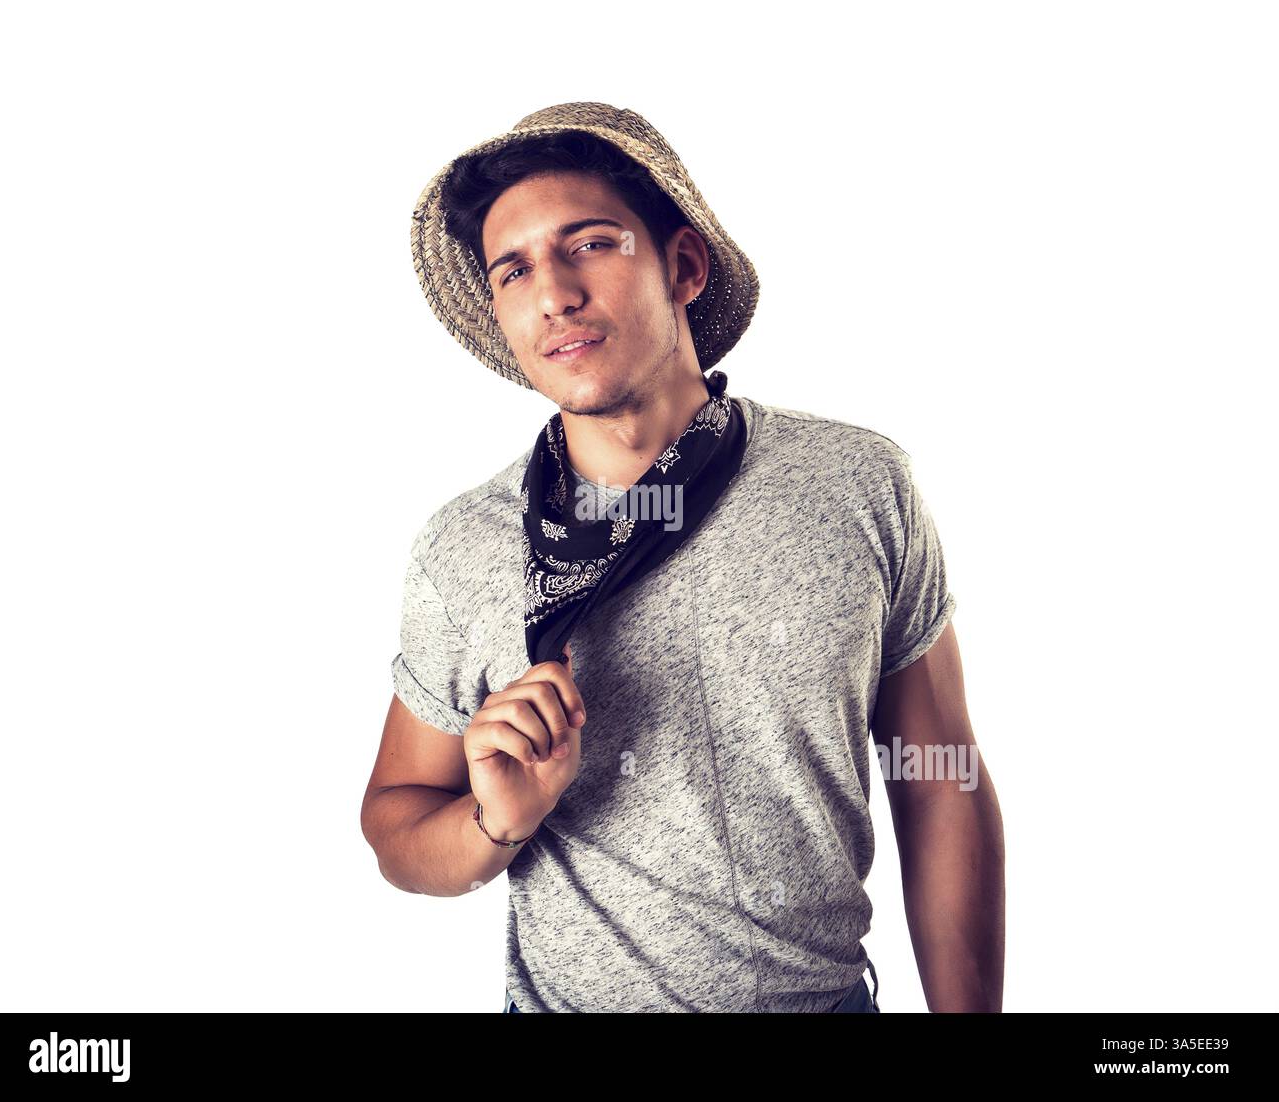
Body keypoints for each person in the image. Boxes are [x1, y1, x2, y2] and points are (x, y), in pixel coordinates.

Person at [360, 102, 1005, 1013]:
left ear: (684, 266)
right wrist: (492, 822)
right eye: (515, 270)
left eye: (590, 244)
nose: (554, 294)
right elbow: (395, 821)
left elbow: (937, 777)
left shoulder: (858, 484)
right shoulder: (465, 546)